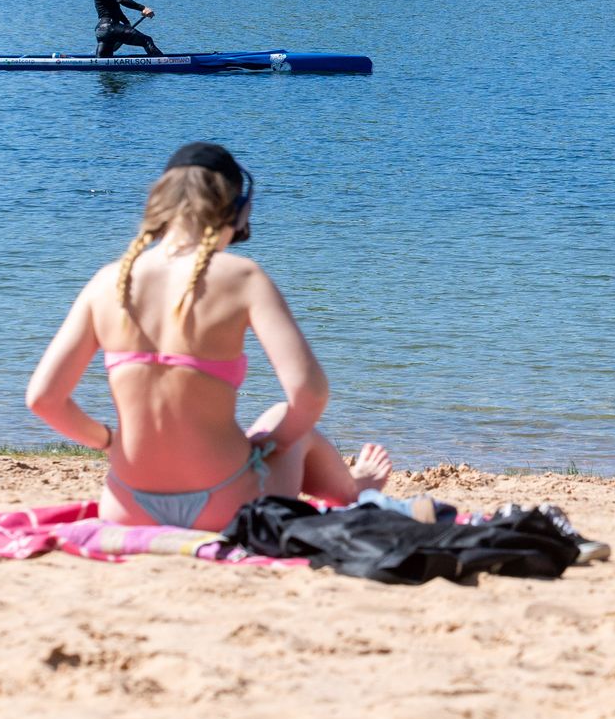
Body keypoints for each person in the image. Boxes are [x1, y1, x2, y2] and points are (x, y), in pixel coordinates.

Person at [26, 141, 392, 529]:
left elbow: (44, 399)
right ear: (237, 210)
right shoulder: (242, 277)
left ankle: (349, 486)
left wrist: (107, 441)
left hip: (127, 506)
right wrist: (273, 443)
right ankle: (355, 490)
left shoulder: (107, 282)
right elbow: (310, 393)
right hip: (228, 502)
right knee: (283, 418)